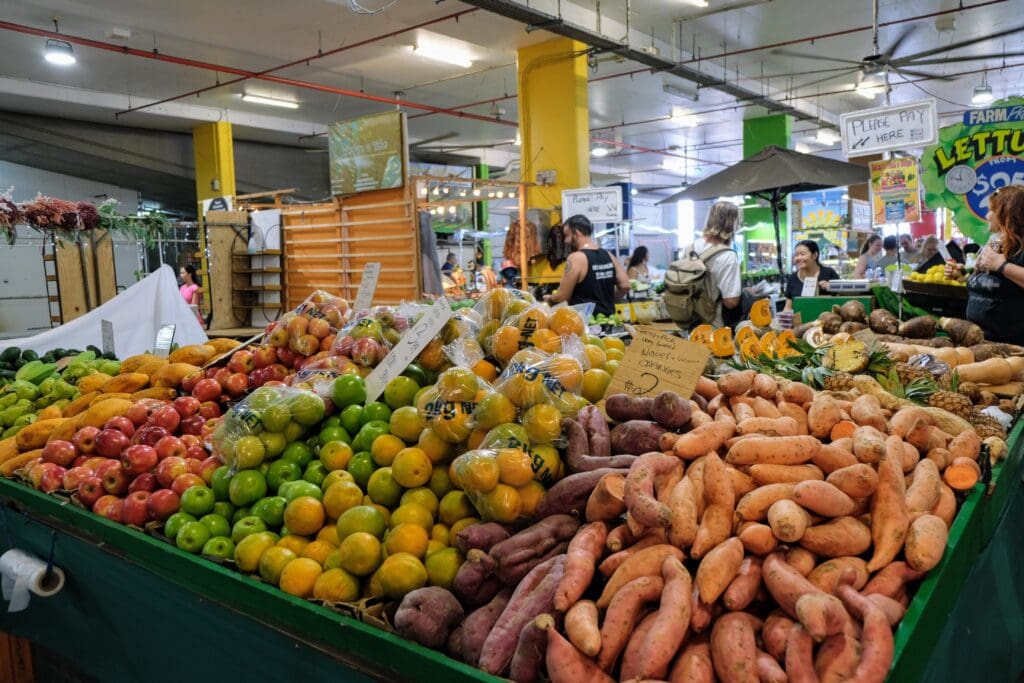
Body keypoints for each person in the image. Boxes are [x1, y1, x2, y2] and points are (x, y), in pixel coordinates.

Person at [946, 186, 1024, 344]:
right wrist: (962, 277)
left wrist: (1002, 266)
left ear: (1006, 213)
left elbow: (1001, 271)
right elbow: (991, 283)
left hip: (1011, 343)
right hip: (981, 339)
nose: (987, 216)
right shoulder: (995, 242)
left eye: (991, 211)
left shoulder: (1020, 246)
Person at [544, 214, 629, 316]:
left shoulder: (576, 258)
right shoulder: (609, 255)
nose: (565, 241)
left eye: (567, 235)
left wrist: (550, 299)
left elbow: (562, 297)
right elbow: (625, 286)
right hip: (609, 321)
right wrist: (608, 302)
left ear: (577, 233)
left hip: (585, 324)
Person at [692, 201, 742, 327]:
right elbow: (731, 301)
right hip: (713, 325)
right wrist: (748, 294)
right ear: (732, 224)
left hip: (690, 320)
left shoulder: (693, 245)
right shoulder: (727, 256)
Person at [784, 240, 840, 310]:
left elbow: (841, 301)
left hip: (827, 319)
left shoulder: (829, 273)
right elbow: (788, 307)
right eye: (796, 255)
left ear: (815, 255)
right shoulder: (792, 278)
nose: (798, 258)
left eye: (802, 254)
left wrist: (832, 287)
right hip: (801, 320)